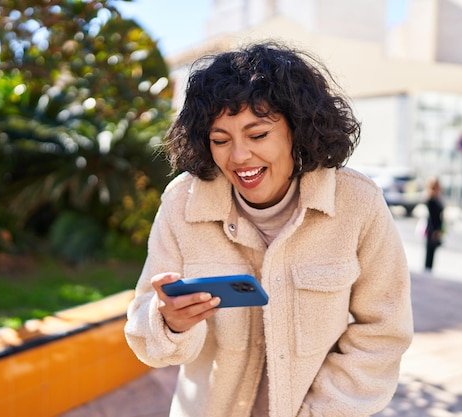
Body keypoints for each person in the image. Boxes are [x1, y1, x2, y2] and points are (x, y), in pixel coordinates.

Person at [124, 41, 413, 417]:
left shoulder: (358, 204)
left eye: (257, 135)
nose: (239, 156)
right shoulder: (181, 205)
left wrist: (321, 411)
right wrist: (169, 322)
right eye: (220, 140)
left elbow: (384, 331)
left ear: (298, 129)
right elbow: (146, 330)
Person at [424, 177, 444, 271]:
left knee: (433, 251)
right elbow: (433, 216)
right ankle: (427, 270)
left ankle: (429, 269)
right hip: (432, 228)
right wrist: (435, 230)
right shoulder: (431, 198)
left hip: (437, 227)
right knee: (429, 251)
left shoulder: (437, 197)